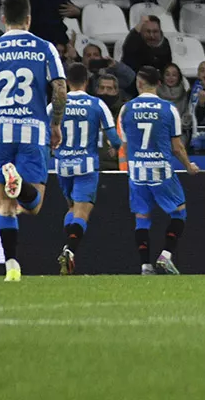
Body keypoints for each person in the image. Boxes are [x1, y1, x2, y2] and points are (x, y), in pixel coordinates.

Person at [0, 0, 68, 281]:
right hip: (32, 129)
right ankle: (16, 188)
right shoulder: (44, 48)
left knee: (5, 197)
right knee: (32, 205)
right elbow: (60, 91)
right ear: (29, 19)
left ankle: (11, 266)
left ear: (3, 19)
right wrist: (56, 124)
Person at [119, 65, 201, 275]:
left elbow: (125, 146)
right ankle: (165, 255)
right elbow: (177, 146)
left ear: (139, 83)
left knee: (142, 218)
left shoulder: (126, 109)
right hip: (161, 171)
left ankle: (145, 265)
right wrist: (188, 165)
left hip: (137, 172)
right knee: (179, 213)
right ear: (159, 83)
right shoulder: (168, 109)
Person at [51, 63, 119, 276]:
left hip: (62, 165)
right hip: (86, 166)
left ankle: (67, 248)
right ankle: (70, 250)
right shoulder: (96, 104)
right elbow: (115, 138)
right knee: (82, 212)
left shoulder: (55, 105)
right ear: (87, 82)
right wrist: (114, 148)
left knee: (71, 209)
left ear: (67, 81)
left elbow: (44, 131)